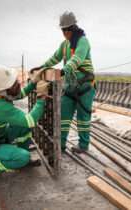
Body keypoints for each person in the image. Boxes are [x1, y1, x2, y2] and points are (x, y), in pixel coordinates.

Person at [31, 11, 96, 153]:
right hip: (70, 86)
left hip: (85, 86)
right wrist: (42, 67)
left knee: (83, 118)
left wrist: (63, 71)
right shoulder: (65, 44)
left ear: (72, 28)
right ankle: (60, 145)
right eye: (63, 30)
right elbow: (55, 58)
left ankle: (83, 146)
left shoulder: (82, 41)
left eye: (66, 30)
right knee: (64, 117)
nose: (64, 33)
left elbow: (76, 59)